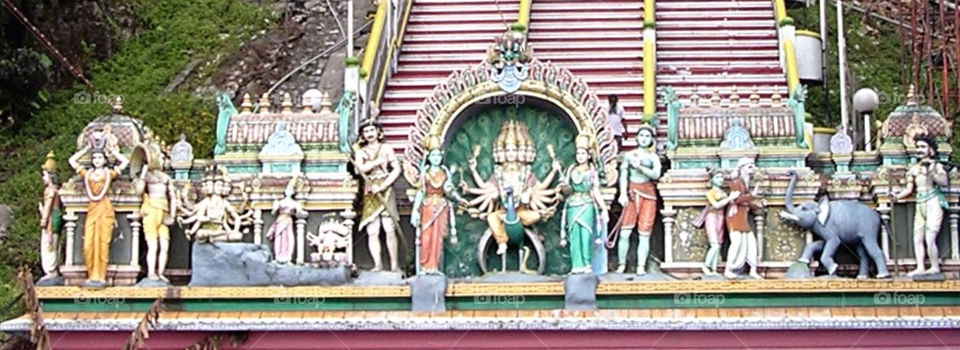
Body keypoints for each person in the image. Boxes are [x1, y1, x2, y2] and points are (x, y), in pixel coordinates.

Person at [69, 139, 129, 288]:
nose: (96, 160)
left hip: (105, 208)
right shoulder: (87, 173)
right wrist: (87, 149)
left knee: (103, 243)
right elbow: (72, 160)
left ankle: (100, 276)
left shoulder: (109, 173)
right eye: (94, 158)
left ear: (104, 160)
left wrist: (112, 150)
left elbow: (125, 161)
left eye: (100, 158)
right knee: (88, 244)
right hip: (92, 208)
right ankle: (91, 274)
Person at [894, 133, 948, 276]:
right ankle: (920, 267)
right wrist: (896, 196)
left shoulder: (936, 165)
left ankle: (935, 266)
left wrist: (931, 172)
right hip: (920, 203)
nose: (920, 150)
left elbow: (944, 182)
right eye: (918, 147)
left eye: (923, 147)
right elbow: (909, 189)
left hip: (933, 202)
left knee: (930, 238)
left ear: (931, 150)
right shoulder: (913, 169)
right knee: (917, 238)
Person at [353, 121, 402, 271]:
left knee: (389, 227)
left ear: (378, 132)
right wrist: (376, 163)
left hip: (385, 189)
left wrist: (384, 185)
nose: (369, 133)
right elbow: (358, 171)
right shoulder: (361, 152)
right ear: (362, 135)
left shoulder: (386, 148)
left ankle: (394, 264)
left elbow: (397, 169)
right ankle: (377, 264)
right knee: (372, 229)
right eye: (366, 131)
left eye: (372, 130)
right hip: (370, 190)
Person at [614, 125, 661, 274]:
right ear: (636, 138)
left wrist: (640, 167)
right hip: (631, 193)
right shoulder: (629, 155)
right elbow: (623, 176)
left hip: (648, 194)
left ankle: (641, 265)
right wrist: (622, 193)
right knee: (625, 232)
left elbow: (656, 174)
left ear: (652, 140)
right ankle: (622, 264)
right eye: (641, 136)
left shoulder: (653, 157)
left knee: (644, 232)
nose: (644, 139)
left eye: (647, 136)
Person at [410, 136, 460, 274]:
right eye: (433, 155)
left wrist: (458, 197)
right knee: (426, 237)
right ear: (429, 157)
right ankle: (424, 266)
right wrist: (415, 210)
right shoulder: (424, 173)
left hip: (441, 207)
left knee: (438, 238)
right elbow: (421, 192)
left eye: (439, 155)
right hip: (427, 207)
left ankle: (434, 266)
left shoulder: (445, 172)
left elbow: (449, 190)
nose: (436, 158)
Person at [560, 134, 609, 274]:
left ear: (588, 155)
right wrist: (564, 187)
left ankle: (586, 264)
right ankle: (576, 265)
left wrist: (604, 209)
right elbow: (566, 190)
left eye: (583, 153)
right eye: (578, 153)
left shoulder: (592, 171)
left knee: (586, 235)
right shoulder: (571, 170)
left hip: (587, 204)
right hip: (572, 205)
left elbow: (595, 191)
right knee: (574, 236)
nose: (580, 156)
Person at [135, 142, 176, 282]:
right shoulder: (147, 177)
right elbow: (138, 191)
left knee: (164, 246)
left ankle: (161, 272)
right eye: (161, 157)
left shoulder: (166, 178)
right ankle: (151, 272)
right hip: (151, 209)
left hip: (163, 212)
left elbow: (173, 197)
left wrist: (172, 215)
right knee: (152, 246)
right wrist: (144, 172)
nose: (163, 161)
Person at [723, 158, 765, 279]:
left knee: (751, 243)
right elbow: (737, 200)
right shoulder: (736, 182)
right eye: (749, 167)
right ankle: (729, 269)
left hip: (743, 218)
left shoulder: (745, 184)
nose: (752, 170)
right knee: (737, 243)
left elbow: (745, 202)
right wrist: (752, 196)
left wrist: (757, 205)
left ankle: (753, 269)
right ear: (742, 168)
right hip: (735, 217)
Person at [693, 168, 739, 275]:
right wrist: (729, 198)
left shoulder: (723, 193)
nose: (720, 179)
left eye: (721, 177)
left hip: (720, 217)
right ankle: (706, 265)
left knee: (718, 244)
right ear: (712, 179)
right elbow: (716, 205)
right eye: (717, 177)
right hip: (712, 217)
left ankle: (714, 269)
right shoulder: (710, 193)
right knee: (714, 244)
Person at [266, 177, 308, 264]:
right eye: (287, 189)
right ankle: (278, 257)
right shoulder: (280, 202)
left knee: (289, 238)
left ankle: (288, 257)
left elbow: (299, 213)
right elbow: (273, 213)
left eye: (291, 189)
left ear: (293, 192)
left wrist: (303, 214)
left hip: (288, 221)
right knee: (279, 238)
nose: (288, 191)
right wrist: (275, 206)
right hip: (280, 220)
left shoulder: (295, 203)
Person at [39, 151, 63, 281]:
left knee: (49, 243)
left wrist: (43, 219)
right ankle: (53, 269)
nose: (43, 178)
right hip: (56, 218)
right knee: (55, 242)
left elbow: (48, 207)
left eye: (45, 176)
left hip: (51, 220)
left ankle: (50, 270)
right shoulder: (57, 190)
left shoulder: (50, 191)